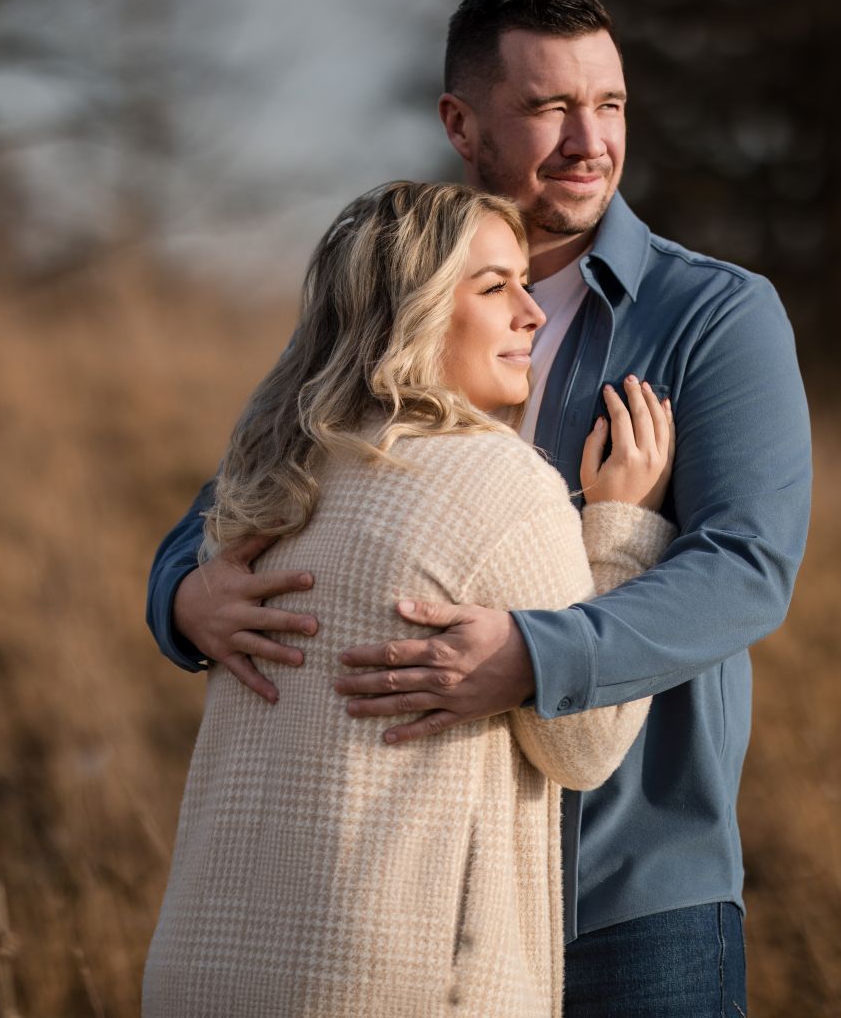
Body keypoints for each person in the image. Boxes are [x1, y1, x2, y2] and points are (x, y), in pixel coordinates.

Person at [147, 0, 813, 1016]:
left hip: (627, 889)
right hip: (401, 887)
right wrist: (181, 595)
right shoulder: (399, 283)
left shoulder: (713, 316)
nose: (589, 139)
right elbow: (267, 466)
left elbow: (746, 569)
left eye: (611, 104)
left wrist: (533, 659)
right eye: (548, 106)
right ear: (460, 122)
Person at [141, 181, 679, 1015]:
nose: (531, 316)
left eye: (526, 288)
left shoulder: (267, 481)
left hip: (200, 966)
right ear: (412, 311)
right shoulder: (496, 482)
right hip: (393, 976)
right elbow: (586, 748)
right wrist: (619, 530)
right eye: (494, 287)